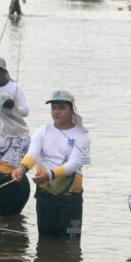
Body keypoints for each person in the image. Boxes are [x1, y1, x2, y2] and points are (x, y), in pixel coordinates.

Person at [12, 90, 91, 238]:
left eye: (62, 108)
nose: (57, 112)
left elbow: (74, 164)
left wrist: (50, 175)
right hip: (45, 195)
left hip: (70, 199)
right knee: (45, 242)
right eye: (54, 107)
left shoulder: (82, 136)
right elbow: (33, 153)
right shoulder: (43, 131)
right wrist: (22, 168)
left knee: (71, 246)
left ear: (71, 110)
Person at [0, 92, 31, 217]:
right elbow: (28, 159)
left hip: (1, 185)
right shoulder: (25, 133)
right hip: (22, 184)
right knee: (13, 219)